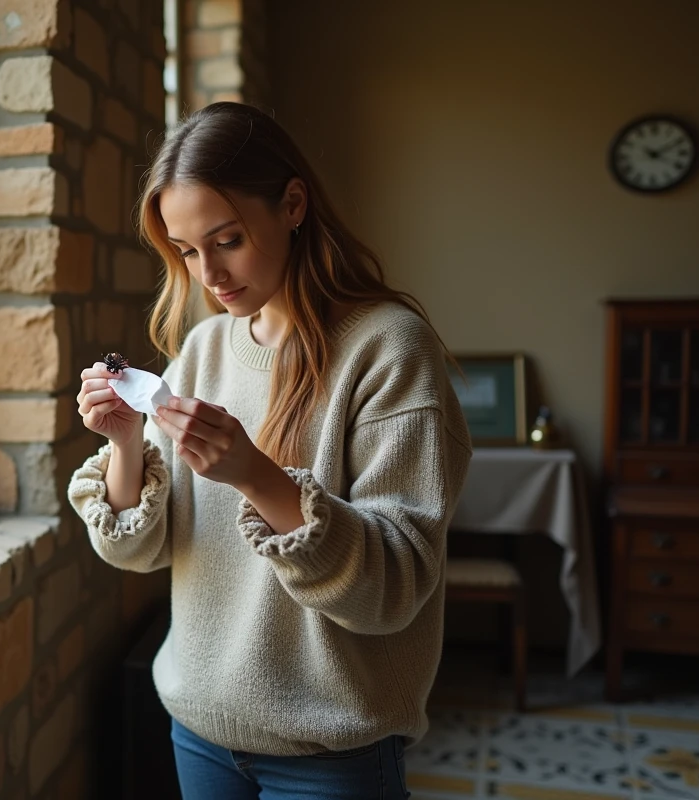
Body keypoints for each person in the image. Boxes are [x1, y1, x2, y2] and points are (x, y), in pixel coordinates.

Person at [67, 102, 472, 800]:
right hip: (198, 731)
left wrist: (256, 476)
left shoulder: (388, 349)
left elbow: (394, 589)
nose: (208, 275)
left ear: (292, 204)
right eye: (187, 251)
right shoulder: (204, 349)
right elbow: (141, 551)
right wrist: (126, 442)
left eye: (225, 240)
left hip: (332, 752)